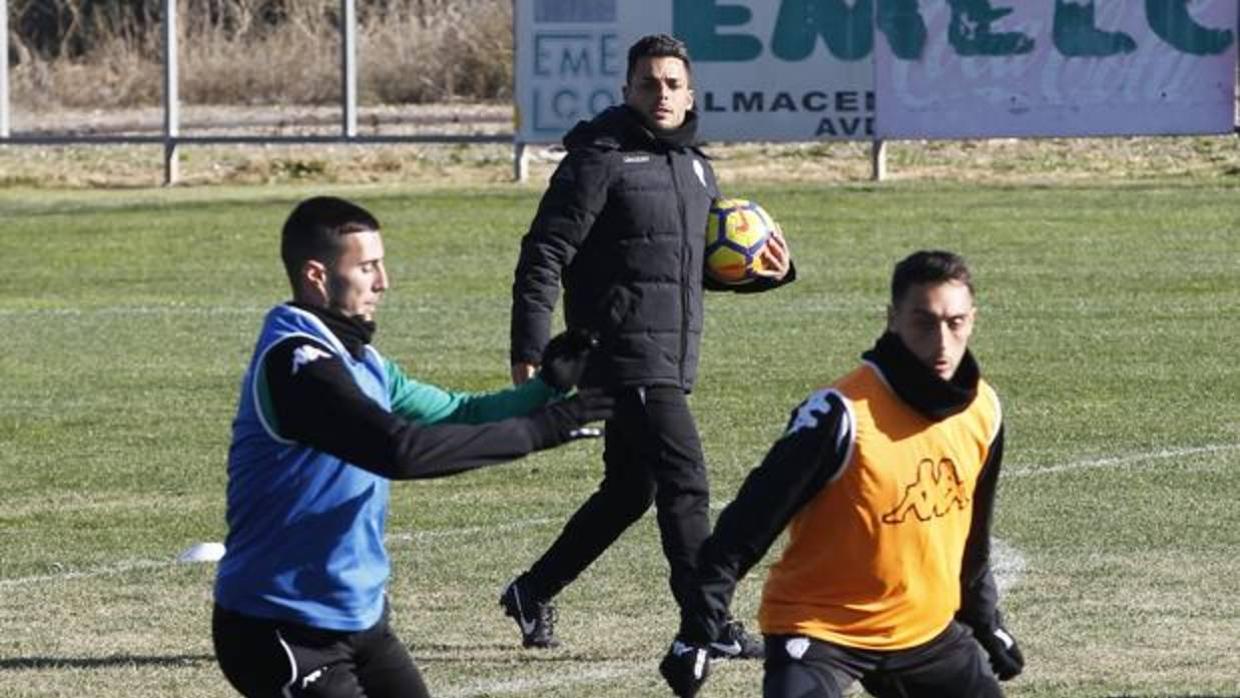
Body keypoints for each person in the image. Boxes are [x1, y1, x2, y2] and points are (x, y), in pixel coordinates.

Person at [212, 196, 612, 698]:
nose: (383, 282)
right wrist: (540, 429)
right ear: (317, 275)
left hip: (361, 619)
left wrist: (545, 390)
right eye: (366, 267)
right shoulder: (297, 365)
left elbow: (460, 412)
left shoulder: (365, 361)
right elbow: (398, 451)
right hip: (279, 627)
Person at [501, 33, 795, 657]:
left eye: (671, 83)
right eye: (647, 83)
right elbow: (546, 250)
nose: (660, 93)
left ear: (689, 93)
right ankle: (706, 623)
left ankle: (532, 590)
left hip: (669, 353)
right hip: (619, 351)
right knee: (685, 476)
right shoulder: (599, 157)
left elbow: (685, 267)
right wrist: (529, 341)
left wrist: (769, 269)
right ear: (626, 91)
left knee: (630, 491)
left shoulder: (695, 165)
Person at [660, 250, 1025, 697]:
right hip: (820, 629)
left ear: (973, 319)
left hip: (923, 633)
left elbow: (973, 537)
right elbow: (744, 528)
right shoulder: (841, 415)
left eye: (955, 322)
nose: (942, 342)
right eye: (923, 322)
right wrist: (697, 631)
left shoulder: (983, 410)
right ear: (892, 319)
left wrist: (985, 621)